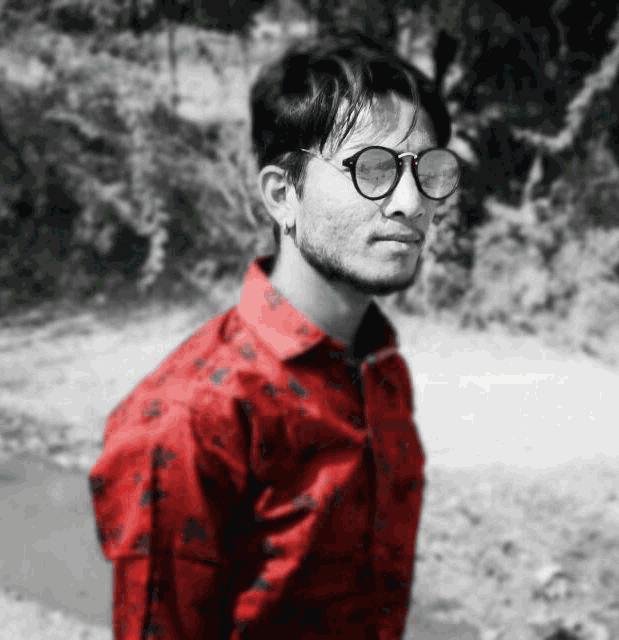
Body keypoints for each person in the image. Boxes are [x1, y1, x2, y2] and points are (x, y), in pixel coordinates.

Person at [87, 32, 462, 640]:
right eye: (373, 169)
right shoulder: (193, 420)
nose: (411, 201)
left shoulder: (378, 366)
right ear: (283, 195)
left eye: (429, 170)